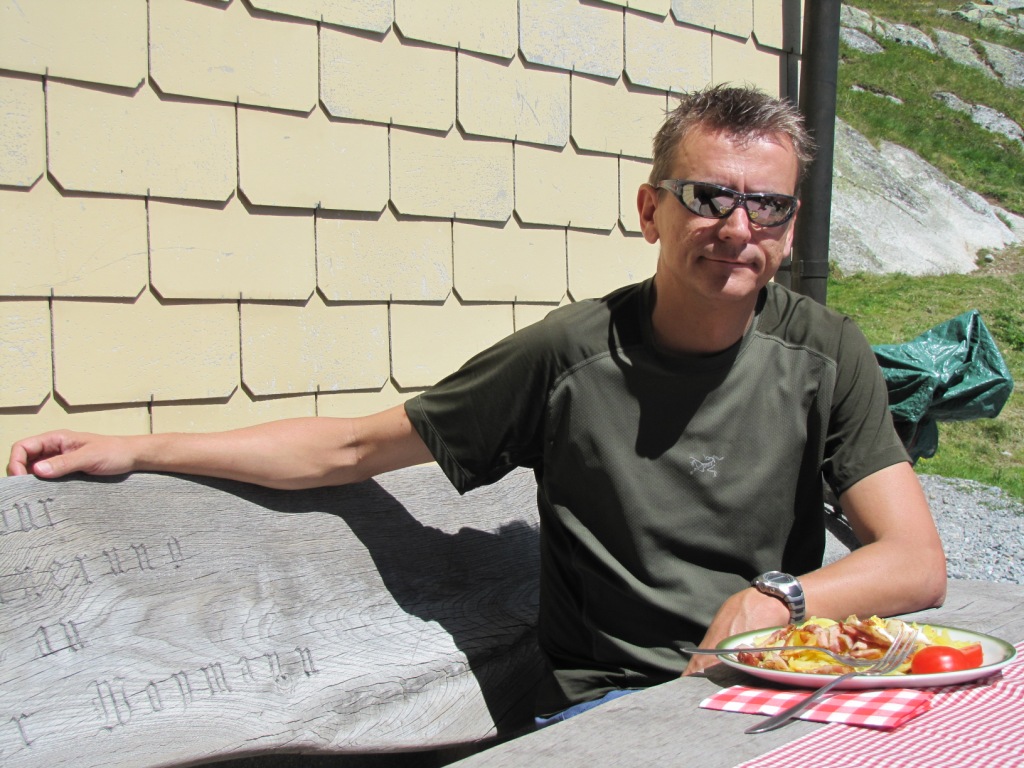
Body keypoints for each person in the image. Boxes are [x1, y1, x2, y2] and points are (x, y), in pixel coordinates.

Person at [7, 85, 946, 725]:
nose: (738, 228)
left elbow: (914, 561)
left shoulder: (826, 352)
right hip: (613, 708)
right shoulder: (568, 357)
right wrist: (140, 448)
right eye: (708, 197)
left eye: (768, 206)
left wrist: (772, 599)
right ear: (649, 209)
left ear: (790, 224)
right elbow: (350, 449)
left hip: (774, 693)